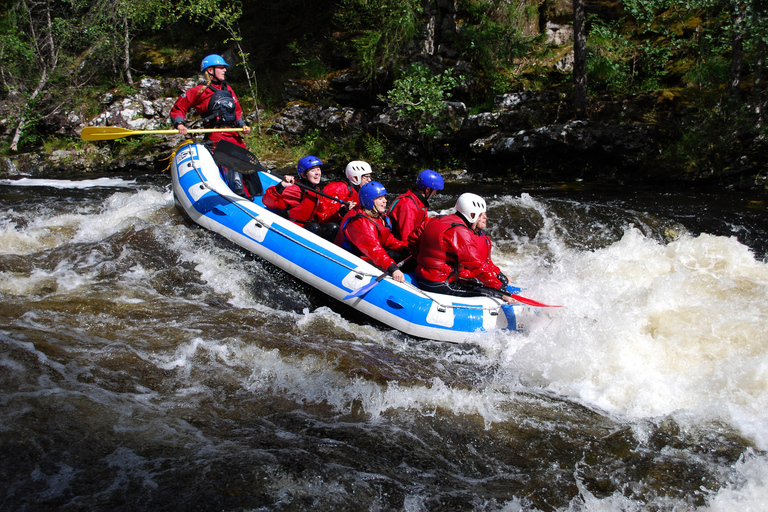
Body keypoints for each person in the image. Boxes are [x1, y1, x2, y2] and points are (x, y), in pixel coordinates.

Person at [169, 54, 255, 197]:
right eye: (221, 67)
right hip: (216, 134)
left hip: (233, 133)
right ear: (210, 70)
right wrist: (179, 124)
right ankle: (237, 193)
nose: (224, 70)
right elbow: (179, 108)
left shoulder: (228, 89)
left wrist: (242, 124)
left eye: (224, 68)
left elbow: (237, 111)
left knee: (245, 159)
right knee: (230, 156)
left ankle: (252, 191)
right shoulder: (199, 90)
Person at [409, 193, 515, 304]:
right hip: (442, 284)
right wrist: (498, 288)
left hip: (423, 277)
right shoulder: (460, 231)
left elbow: (413, 238)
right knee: (492, 294)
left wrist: (422, 261)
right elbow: (476, 264)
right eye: (480, 215)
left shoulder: (437, 219)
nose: (483, 218)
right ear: (472, 214)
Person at [334, 182, 410, 283]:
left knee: (405, 257)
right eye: (380, 198)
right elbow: (374, 250)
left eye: (384, 197)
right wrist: (393, 268)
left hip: (368, 254)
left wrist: (403, 247)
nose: (385, 201)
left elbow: (386, 238)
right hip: (353, 258)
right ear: (369, 201)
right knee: (394, 265)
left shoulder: (377, 216)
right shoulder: (360, 222)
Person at [262, 155, 340, 240]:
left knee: (333, 227)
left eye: (318, 169)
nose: (317, 173)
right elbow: (268, 202)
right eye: (312, 170)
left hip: (307, 227)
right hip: (291, 229)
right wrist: (281, 186)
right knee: (315, 228)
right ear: (303, 175)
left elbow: (321, 216)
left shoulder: (316, 191)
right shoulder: (295, 189)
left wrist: (342, 212)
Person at [388, 169, 444, 241]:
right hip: (398, 246)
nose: (435, 193)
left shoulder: (419, 201)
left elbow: (422, 225)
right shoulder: (408, 204)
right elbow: (406, 237)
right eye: (435, 190)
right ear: (427, 189)